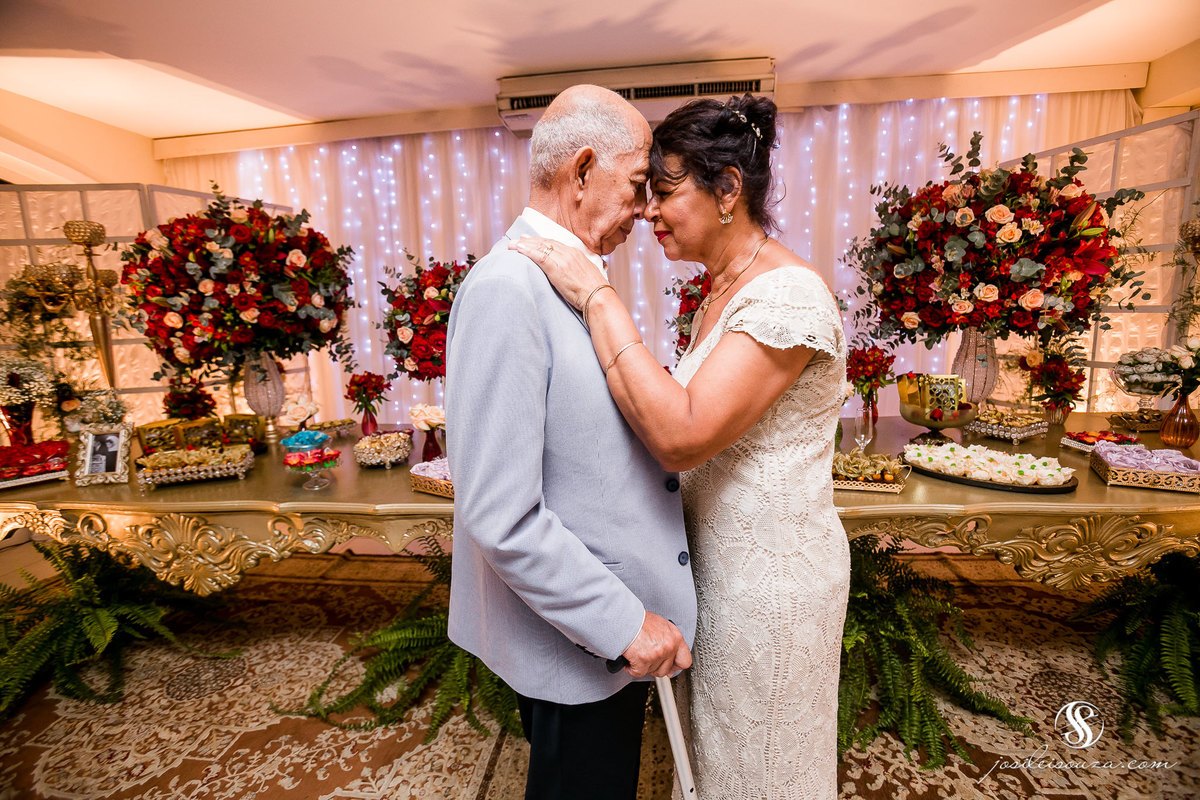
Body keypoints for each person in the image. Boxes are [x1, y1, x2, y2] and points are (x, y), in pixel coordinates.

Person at [511, 94, 849, 800]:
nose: (646, 213)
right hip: (715, 572)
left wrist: (597, 299)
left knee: (757, 767)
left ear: (727, 189)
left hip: (769, 581)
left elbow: (682, 434)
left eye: (662, 194)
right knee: (711, 763)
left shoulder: (786, 295)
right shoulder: (720, 291)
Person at [445, 84, 697, 800]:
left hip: (597, 623)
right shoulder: (506, 289)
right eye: (638, 185)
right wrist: (623, 621)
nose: (648, 210)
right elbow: (499, 511)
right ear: (582, 172)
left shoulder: (574, 278)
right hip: (579, 631)